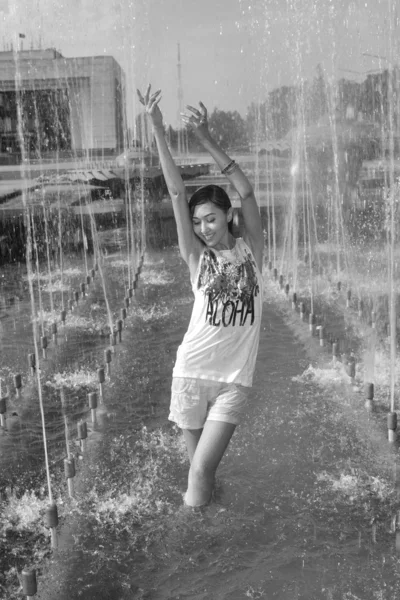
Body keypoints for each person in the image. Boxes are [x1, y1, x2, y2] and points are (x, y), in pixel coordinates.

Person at [137, 85, 264, 507]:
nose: (204, 228)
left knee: (201, 471)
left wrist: (207, 140)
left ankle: (190, 543)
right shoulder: (196, 258)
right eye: (198, 222)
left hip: (232, 382)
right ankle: (207, 536)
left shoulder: (251, 251)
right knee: (202, 475)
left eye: (211, 219)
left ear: (227, 216)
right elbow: (175, 192)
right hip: (191, 375)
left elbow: (245, 191)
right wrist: (157, 127)